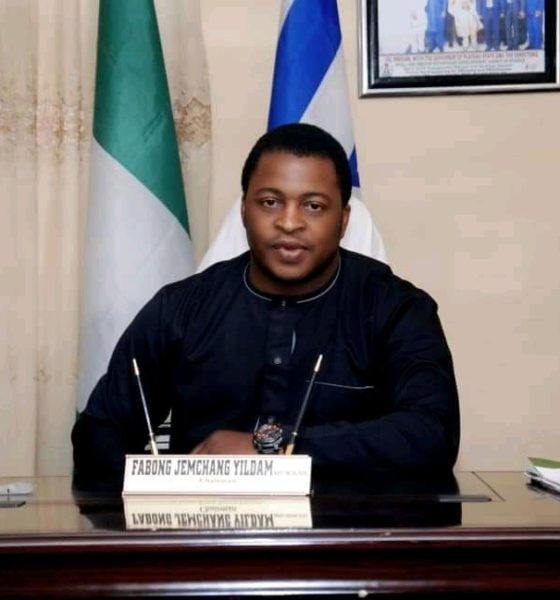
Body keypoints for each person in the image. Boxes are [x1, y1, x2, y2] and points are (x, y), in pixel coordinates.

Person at [72, 123, 460, 483]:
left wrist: (274, 448)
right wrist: (158, 492)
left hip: (349, 529)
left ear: (343, 220)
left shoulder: (396, 309)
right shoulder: (181, 308)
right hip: (204, 526)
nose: (289, 223)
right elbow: (98, 432)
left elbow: (432, 433)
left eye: (313, 206)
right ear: (244, 210)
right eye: (271, 202)